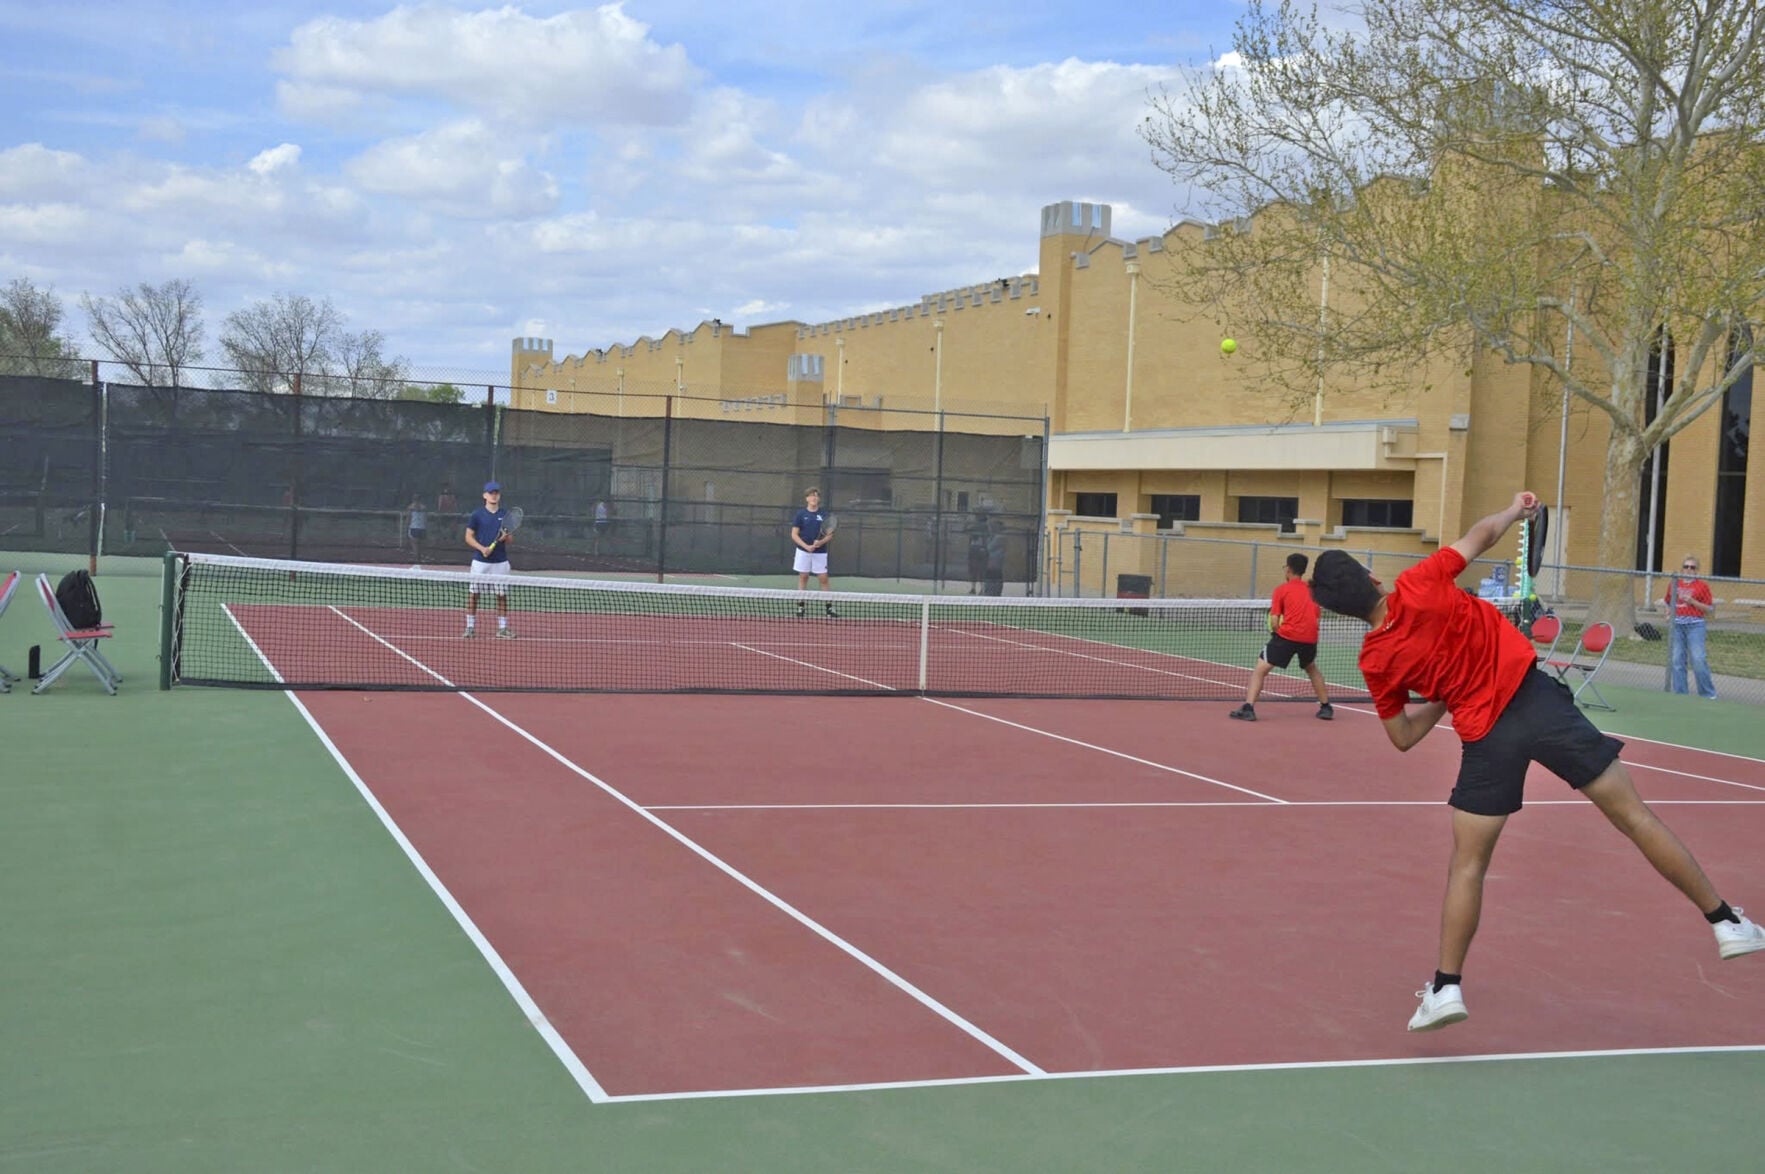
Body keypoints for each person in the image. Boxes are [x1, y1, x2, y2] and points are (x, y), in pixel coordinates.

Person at [1309, 491, 1763, 1032]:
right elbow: (1481, 535)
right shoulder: (1421, 580)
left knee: (1467, 866)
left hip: (1486, 740)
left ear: (1340, 611)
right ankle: (1725, 922)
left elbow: (1403, 737)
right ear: (1373, 578)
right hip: (1540, 705)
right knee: (1635, 817)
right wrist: (1514, 510)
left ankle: (1446, 988)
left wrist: (1443, 696)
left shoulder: (1375, 660)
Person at [1228, 552, 1333, 721]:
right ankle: (1326, 707)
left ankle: (1248, 708)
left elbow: (1274, 620)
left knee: (1260, 670)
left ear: (1288, 569)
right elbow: (1316, 618)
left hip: (1288, 636)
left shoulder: (1281, 590)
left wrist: (1276, 633)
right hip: (1310, 637)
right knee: (1311, 668)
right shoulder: (1312, 591)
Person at [463, 480, 515, 638]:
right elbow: (468, 537)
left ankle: (502, 629)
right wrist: (481, 548)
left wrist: (505, 537)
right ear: (484, 495)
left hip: (500, 562)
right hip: (480, 562)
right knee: (474, 594)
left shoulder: (505, 515)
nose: (494, 495)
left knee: (501, 596)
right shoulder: (477, 515)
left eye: (496, 493)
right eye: (491, 493)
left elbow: (510, 539)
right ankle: (470, 628)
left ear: (499, 495)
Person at [1665, 555, 1717, 699]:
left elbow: (1709, 609)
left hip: (1695, 625)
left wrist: (1692, 601)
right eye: (1686, 566)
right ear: (1682, 569)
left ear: (1696, 570)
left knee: (1698, 659)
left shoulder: (1702, 586)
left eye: (1692, 567)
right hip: (1677, 625)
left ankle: (1708, 694)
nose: (1688, 569)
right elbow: (1668, 602)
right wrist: (1668, 613)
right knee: (1677, 660)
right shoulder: (1674, 584)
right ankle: (1681, 694)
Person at [790, 486, 837, 617]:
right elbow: (794, 534)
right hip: (803, 551)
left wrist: (820, 543)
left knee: (823, 579)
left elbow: (829, 535)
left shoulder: (824, 515)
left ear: (819, 499)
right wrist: (806, 546)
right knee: (803, 577)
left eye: (816, 495)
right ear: (807, 498)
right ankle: (801, 607)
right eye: (811, 495)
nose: (814, 498)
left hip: (820, 552)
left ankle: (829, 609)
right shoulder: (801, 515)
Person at [966, 515, 989, 593]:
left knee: (978, 570)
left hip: (978, 550)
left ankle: (980, 588)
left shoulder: (983, 528)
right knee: (976, 570)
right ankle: (976, 588)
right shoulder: (980, 527)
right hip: (976, 550)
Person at [405, 496, 428, 562]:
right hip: (422, 528)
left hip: (414, 528)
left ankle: (416, 560)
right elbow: (425, 519)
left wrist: (406, 528)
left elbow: (408, 519)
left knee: (415, 545)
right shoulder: (424, 508)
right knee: (420, 545)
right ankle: (419, 559)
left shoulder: (410, 507)